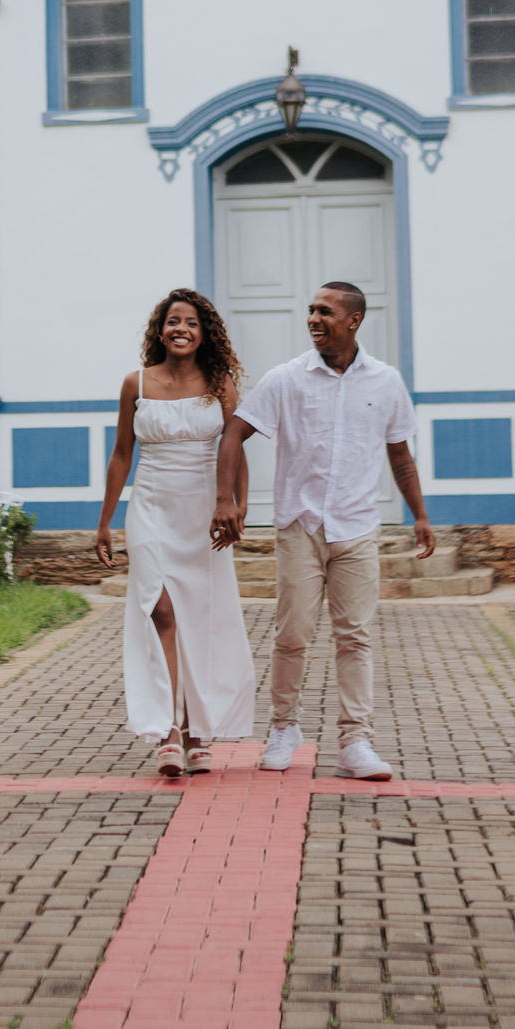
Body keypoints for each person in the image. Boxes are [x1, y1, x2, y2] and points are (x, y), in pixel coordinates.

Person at [211, 281, 434, 780]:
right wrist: (225, 499)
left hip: (356, 528)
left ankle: (356, 742)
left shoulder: (385, 381)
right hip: (301, 526)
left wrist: (419, 514)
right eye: (311, 310)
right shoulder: (287, 379)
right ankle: (284, 727)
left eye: (325, 311)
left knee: (355, 637)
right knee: (292, 636)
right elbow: (235, 431)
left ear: (353, 320)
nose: (313, 318)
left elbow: (401, 456)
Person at [97, 288, 256, 776]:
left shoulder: (219, 383)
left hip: (203, 511)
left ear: (204, 332)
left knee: (201, 619)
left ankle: (198, 732)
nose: (180, 329)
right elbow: (123, 454)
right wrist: (104, 521)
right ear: (159, 330)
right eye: (172, 322)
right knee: (160, 610)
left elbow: (235, 447)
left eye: (190, 322)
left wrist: (238, 506)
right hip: (150, 507)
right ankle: (168, 728)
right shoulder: (136, 383)